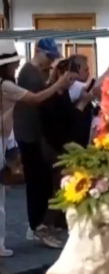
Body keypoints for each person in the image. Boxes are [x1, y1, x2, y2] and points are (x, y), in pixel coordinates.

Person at [11, 38, 73, 250]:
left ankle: (40, 226)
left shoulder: (38, 71)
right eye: (48, 57)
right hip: (27, 134)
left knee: (43, 181)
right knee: (37, 183)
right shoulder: (28, 72)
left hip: (36, 134)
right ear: (37, 52)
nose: (50, 62)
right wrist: (57, 84)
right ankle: (36, 226)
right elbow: (38, 97)